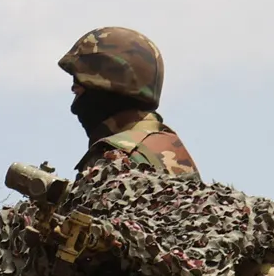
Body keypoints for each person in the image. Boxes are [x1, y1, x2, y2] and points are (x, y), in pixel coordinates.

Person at [60, 27, 199, 180]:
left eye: (78, 92)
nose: (74, 108)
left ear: (103, 87)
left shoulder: (115, 158)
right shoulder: (169, 147)